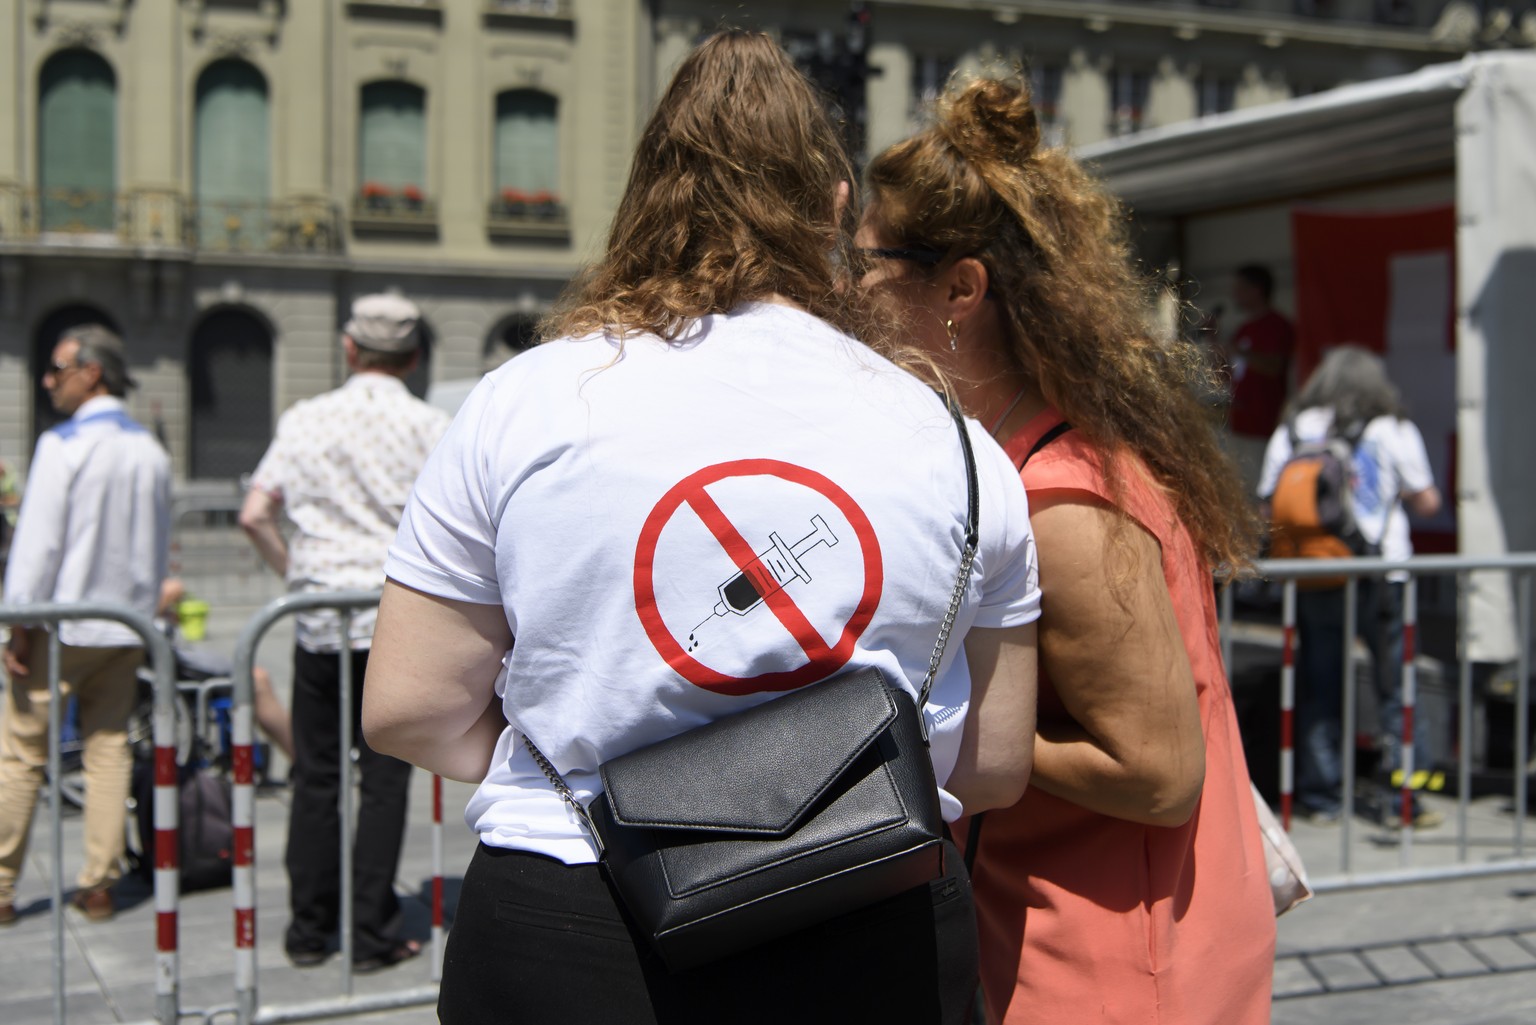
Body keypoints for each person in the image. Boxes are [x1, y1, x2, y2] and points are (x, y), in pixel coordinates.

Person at [362, 31, 1041, 1025]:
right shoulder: (958, 441)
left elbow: (409, 709)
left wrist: (608, 741)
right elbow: (993, 762)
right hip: (869, 924)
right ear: (836, 209)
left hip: (574, 915)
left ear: (644, 196)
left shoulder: (524, 401)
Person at [859, 75, 1276, 1024]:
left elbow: (1159, 774)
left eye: (870, 263)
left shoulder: (1062, 495)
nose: (852, 289)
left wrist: (956, 729)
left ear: (961, 286)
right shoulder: (1037, 449)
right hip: (1096, 931)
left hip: (1112, 962)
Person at [239, 293, 450, 971]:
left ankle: (309, 926)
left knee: (317, 774)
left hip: (319, 618)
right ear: (413, 357)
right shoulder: (429, 424)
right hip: (395, 619)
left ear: (349, 348)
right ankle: (372, 929)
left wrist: (295, 573)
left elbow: (254, 513)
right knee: (385, 779)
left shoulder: (304, 418)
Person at [0, 325, 172, 925]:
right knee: (106, 752)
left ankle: (0, 886)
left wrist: (17, 620)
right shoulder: (150, 449)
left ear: (91, 372)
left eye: (58, 369)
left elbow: (37, 543)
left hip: (60, 624)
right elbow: (156, 546)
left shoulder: (64, 444)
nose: (49, 381)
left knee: (22, 753)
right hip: (123, 624)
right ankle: (97, 884)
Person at [1257, 345, 1442, 826]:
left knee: (1319, 686)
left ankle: (1321, 798)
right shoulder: (1391, 428)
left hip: (1316, 573)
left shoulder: (1294, 429)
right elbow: (1426, 502)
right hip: (1385, 575)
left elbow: (1266, 507)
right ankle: (1406, 799)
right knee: (1396, 684)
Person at [1223, 263, 1296, 491]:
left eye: (1240, 288)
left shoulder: (1277, 325)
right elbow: (1228, 375)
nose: (1235, 294)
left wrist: (1240, 352)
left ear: (1257, 289)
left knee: (1261, 493)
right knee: (1240, 491)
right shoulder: (1243, 328)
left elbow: (1274, 367)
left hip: (1264, 426)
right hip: (1239, 424)